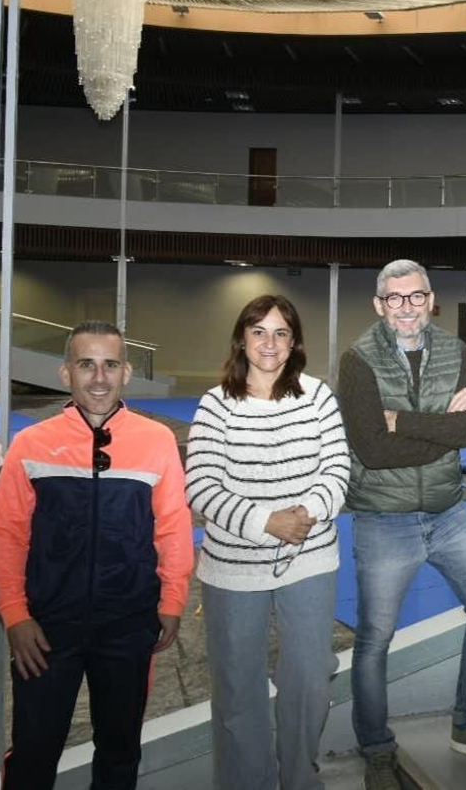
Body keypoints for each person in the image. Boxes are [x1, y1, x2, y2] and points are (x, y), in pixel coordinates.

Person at [0, 320, 195, 790]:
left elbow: (172, 527)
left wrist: (171, 601)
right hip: (46, 629)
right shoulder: (31, 444)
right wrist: (14, 613)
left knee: (120, 749)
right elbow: (7, 533)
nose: (99, 377)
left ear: (125, 372)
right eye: (87, 364)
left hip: (127, 623)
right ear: (66, 373)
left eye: (110, 365)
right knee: (34, 749)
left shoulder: (156, 440)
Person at [338, 261, 466, 789]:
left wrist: (404, 419)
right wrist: (444, 424)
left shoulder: (454, 352)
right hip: (383, 520)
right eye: (395, 298)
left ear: (431, 300)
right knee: (374, 639)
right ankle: (377, 749)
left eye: (416, 297)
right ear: (379, 305)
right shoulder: (357, 361)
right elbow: (372, 447)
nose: (407, 307)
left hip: (448, 513)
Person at [185, 295, 350, 790]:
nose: (269, 343)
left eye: (281, 332)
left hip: (310, 559)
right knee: (238, 691)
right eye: (259, 331)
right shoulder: (216, 404)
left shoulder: (318, 396)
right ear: (242, 338)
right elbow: (202, 484)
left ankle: (300, 778)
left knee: (309, 678)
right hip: (233, 569)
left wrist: (306, 513)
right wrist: (265, 521)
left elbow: (337, 469)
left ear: (295, 341)